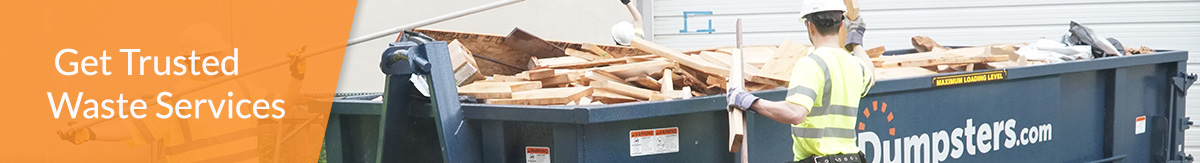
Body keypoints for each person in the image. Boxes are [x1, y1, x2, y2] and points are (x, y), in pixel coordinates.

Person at [725, 0, 874, 162]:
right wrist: (856, 42)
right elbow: (870, 74)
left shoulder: (811, 64)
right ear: (841, 26)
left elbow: (795, 113)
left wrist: (750, 101)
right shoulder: (854, 65)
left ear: (810, 26)